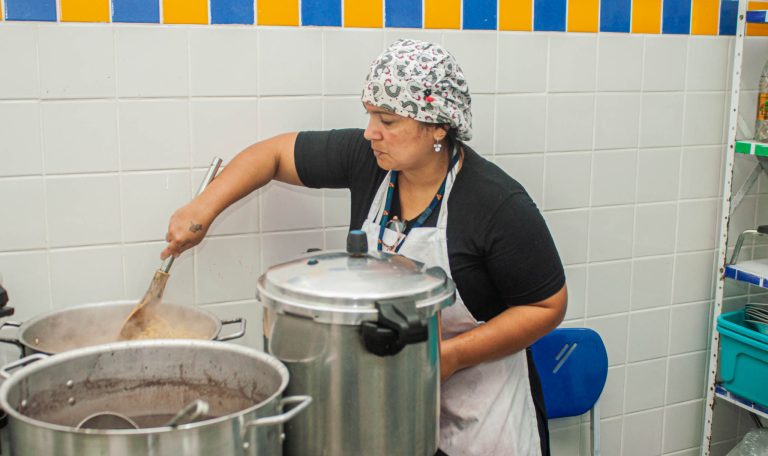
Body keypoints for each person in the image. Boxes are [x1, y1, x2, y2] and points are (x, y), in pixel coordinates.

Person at [162, 39, 567, 456]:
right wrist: (203, 207)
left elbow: (547, 306)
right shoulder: (368, 159)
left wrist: (446, 357)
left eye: (387, 120)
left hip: (482, 417)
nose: (371, 132)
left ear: (438, 127)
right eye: (370, 114)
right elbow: (274, 155)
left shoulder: (495, 203)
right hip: (393, 404)